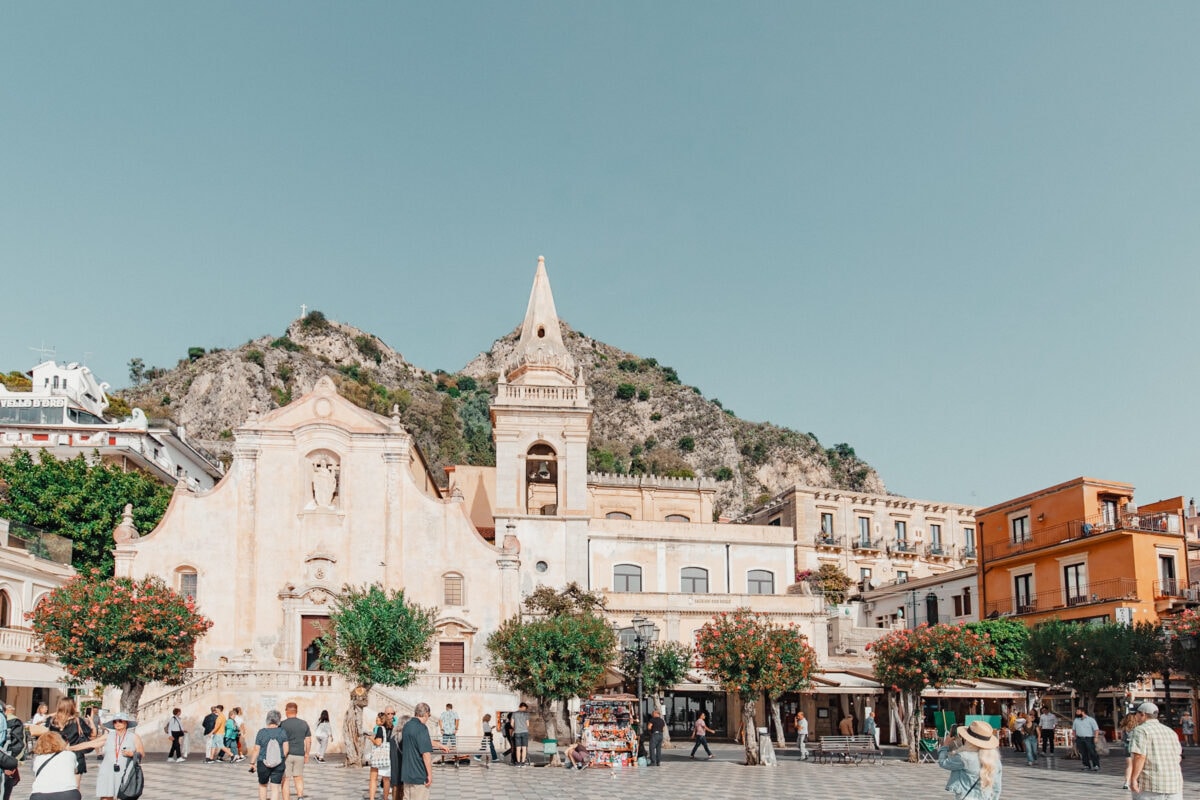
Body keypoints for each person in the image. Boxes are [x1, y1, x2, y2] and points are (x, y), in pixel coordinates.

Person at [1128, 702, 1183, 800]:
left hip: (1151, 784)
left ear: (1143, 714)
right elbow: (1178, 756)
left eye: (1136, 714)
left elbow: (1139, 756)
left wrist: (1133, 779)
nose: (1135, 717)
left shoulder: (1141, 730)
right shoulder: (1170, 731)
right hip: (1174, 783)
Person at [937, 719, 1002, 800]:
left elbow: (943, 762)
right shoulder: (995, 760)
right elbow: (997, 787)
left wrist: (945, 745)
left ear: (969, 739)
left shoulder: (963, 757)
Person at [400, 703, 449, 800]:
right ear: (426, 714)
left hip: (407, 774)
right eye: (429, 715)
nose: (428, 718)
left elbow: (420, 740)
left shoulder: (407, 726)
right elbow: (426, 754)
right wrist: (430, 775)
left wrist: (439, 745)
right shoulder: (422, 728)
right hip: (419, 774)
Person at [95, 712, 144, 800]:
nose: (117, 724)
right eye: (115, 722)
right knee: (105, 797)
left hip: (125, 772)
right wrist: (71, 748)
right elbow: (91, 744)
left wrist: (132, 754)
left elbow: (141, 753)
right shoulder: (108, 736)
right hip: (107, 771)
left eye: (120, 721)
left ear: (126, 723)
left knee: (122, 796)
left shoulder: (134, 737)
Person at [48, 698, 94, 788]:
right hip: (76, 755)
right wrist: (91, 721)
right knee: (75, 787)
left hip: (57, 755)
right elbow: (93, 734)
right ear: (72, 706)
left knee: (58, 786)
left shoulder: (52, 721)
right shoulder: (77, 720)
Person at [29, 731, 87, 800]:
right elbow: (75, 770)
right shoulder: (69, 755)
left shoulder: (37, 759)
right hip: (67, 793)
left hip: (40, 794)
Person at [248, 710, 289, 800]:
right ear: (278, 720)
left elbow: (256, 749)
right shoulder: (282, 732)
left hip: (263, 762)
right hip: (279, 763)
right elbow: (286, 750)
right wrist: (280, 758)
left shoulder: (261, 732)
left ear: (267, 719)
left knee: (263, 785)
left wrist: (252, 763)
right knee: (275, 788)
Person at [279, 702, 311, 800]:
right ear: (296, 711)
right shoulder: (303, 723)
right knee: (298, 777)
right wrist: (307, 754)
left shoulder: (282, 724)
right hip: (300, 754)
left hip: (286, 755)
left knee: (286, 779)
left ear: (287, 711)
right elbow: (308, 740)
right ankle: (300, 797)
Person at [366, 713, 392, 800]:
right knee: (386, 779)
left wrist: (371, 738)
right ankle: (385, 798)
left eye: (377, 719)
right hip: (387, 757)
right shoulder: (390, 729)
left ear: (382, 720)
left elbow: (378, 742)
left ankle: (372, 798)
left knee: (373, 778)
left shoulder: (380, 729)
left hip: (378, 757)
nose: (376, 720)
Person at [1072, 707, 1100, 772]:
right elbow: (1074, 729)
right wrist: (1074, 736)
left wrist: (1096, 737)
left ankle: (1096, 765)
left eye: (1078, 711)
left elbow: (1096, 729)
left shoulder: (1090, 720)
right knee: (1083, 752)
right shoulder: (1076, 720)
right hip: (1079, 738)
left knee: (1092, 752)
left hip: (1089, 738)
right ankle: (1086, 765)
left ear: (1083, 712)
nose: (1076, 713)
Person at [1119, 712, 1140, 790]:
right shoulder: (1138, 727)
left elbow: (1122, 738)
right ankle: (1136, 780)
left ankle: (1126, 782)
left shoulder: (1124, 727)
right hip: (1137, 747)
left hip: (1127, 746)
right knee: (1138, 765)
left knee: (1129, 766)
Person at [511, 703, 530, 767]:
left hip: (517, 732)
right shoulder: (526, 714)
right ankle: (523, 763)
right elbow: (528, 724)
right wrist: (523, 727)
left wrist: (516, 728)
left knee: (518, 748)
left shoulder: (514, 714)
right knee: (524, 748)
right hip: (525, 732)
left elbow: (511, 724)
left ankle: (518, 763)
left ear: (519, 707)